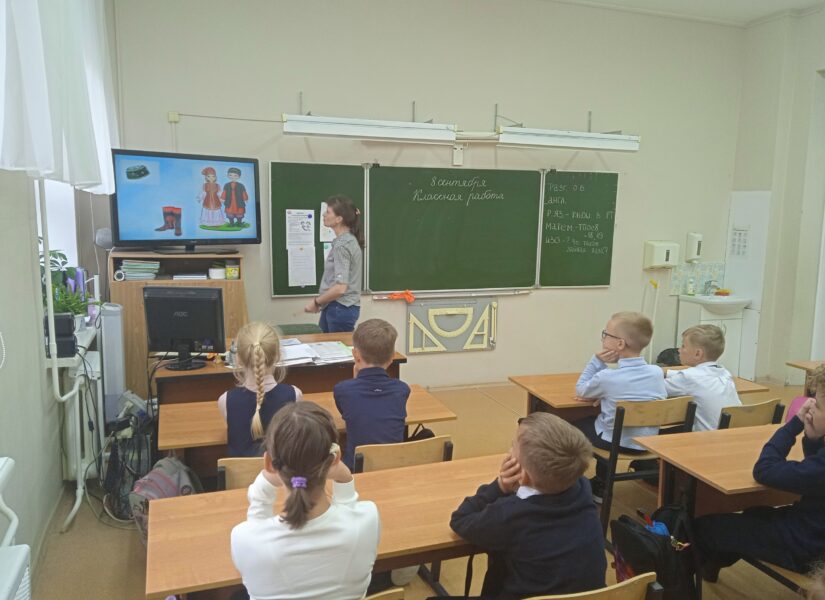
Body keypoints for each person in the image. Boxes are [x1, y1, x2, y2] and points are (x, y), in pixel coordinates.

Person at [442, 413, 606, 599]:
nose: (510, 449)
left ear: (523, 475)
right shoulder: (584, 491)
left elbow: (460, 520)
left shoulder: (511, 515)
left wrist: (499, 486)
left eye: (513, 446)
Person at [230, 402, 380, 600]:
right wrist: (345, 479)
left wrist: (262, 489)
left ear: (269, 463)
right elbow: (350, 516)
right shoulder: (368, 519)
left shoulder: (243, 538)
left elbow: (257, 530)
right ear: (335, 458)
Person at [695, 364, 825, 581]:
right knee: (755, 514)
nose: (810, 407)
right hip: (813, 532)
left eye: (817, 406)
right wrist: (814, 441)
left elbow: (764, 470)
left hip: (807, 549)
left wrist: (793, 425)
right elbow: (811, 479)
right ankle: (711, 566)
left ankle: (679, 588)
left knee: (703, 528)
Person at [572, 311, 666, 501]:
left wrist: (596, 361)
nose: (603, 338)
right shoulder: (656, 372)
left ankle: (586, 486)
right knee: (606, 424)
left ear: (620, 344)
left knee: (568, 427)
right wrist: (605, 397)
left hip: (615, 443)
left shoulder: (607, 377)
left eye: (606, 334)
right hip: (648, 443)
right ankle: (601, 483)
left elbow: (581, 390)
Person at [334, 318, 410, 469]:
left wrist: (356, 378)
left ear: (355, 355)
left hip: (357, 468)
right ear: (392, 357)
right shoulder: (402, 389)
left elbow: (351, 410)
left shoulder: (342, 390)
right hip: (394, 466)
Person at [218, 322, 302, 457]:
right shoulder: (295, 395)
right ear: (278, 356)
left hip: (242, 471)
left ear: (238, 359)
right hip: (280, 470)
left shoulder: (225, 400)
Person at [664, 324, 741, 431]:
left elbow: (654, 388)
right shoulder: (725, 373)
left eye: (683, 346)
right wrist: (666, 373)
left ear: (698, 353)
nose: (679, 350)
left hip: (706, 439)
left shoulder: (689, 378)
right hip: (732, 435)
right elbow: (693, 376)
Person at [304, 196, 363, 333]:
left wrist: (316, 302)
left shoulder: (342, 245)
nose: (324, 215)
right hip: (336, 307)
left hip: (340, 308)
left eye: (328, 212)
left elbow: (340, 288)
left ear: (339, 219)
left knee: (336, 347)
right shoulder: (347, 240)